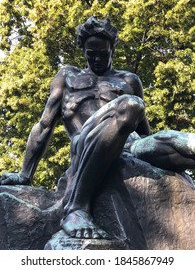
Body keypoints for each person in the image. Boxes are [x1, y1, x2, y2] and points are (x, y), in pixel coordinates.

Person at [0, 17, 195, 239]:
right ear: (82, 50)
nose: (97, 59)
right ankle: (76, 208)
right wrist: (25, 174)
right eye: (91, 53)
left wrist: (157, 155)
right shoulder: (67, 76)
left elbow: (144, 133)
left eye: (103, 53)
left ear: (112, 48)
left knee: (184, 143)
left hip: (129, 146)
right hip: (85, 144)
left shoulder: (130, 81)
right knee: (131, 105)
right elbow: (45, 124)